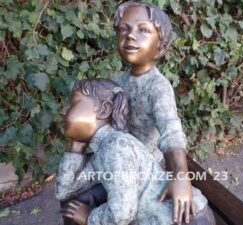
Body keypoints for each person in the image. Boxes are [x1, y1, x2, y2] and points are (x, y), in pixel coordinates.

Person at [55, 78, 215, 225]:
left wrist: (90, 217)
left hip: (185, 218)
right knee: (74, 202)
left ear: (104, 109)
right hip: (175, 218)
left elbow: (123, 213)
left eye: (73, 103)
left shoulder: (116, 146)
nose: (63, 111)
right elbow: (64, 191)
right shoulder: (102, 153)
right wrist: (76, 147)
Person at [115, 2, 195, 223]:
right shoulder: (122, 80)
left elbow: (171, 130)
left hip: (147, 170)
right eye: (124, 29)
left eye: (143, 30)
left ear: (160, 46)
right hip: (122, 162)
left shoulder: (157, 87)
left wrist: (180, 176)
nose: (130, 36)